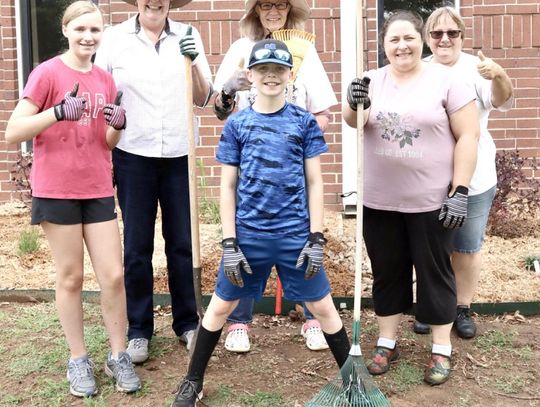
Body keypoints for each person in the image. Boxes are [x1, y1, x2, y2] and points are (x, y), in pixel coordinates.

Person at [170, 39, 350, 406]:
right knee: (220, 306)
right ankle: (193, 380)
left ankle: (352, 381)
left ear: (290, 75)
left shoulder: (303, 123)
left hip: (295, 237)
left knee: (324, 307)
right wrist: (229, 242)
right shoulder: (237, 125)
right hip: (248, 236)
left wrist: (316, 237)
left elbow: (315, 182)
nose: (271, 76)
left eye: (278, 70)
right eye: (263, 70)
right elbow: (228, 187)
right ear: (250, 75)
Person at [4, 1, 141, 397]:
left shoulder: (103, 80)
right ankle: (78, 359)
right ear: (66, 29)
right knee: (71, 277)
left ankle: (118, 355)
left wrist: (118, 126)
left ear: (102, 35)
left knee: (113, 276)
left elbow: (105, 142)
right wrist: (57, 112)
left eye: (95, 31)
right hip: (57, 189)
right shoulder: (46, 73)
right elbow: (15, 131)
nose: (88, 37)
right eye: (81, 29)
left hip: (97, 186)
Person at [343, 10, 479, 385]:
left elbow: (468, 136)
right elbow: (356, 120)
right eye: (393, 40)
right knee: (387, 272)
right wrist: (352, 100)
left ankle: (440, 348)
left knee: (435, 272)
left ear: (421, 40)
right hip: (380, 200)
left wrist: (460, 189)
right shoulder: (370, 80)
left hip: (433, 201)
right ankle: (387, 341)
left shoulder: (447, 81)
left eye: (409, 38)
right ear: (384, 45)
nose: (401, 45)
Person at [213, 0, 338, 353]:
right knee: (248, 237)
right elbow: (220, 111)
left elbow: (322, 111)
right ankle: (239, 322)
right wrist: (227, 90)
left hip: (291, 163)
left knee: (296, 239)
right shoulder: (240, 50)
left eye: (279, 5)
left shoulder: (304, 50)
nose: (272, 12)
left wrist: (295, 140)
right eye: (265, 5)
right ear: (254, 11)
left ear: (289, 11)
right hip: (250, 166)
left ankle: (311, 317)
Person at [94, 0, 213, 363]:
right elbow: (99, 91)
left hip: (179, 155)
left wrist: (191, 65)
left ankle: (187, 322)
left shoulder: (189, 35)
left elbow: (204, 97)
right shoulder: (114, 39)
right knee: (137, 247)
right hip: (132, 154)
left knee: (181, 243)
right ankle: (139, 329)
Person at [412, 6, 514, 339]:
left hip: (475, 176)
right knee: (429, 247)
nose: (444, 39)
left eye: (452, 33)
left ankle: (461, 308)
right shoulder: (417, 69)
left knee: (467, 247)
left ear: (461, 36)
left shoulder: (477, 68)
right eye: (437, 34)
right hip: (426, 176)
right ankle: (430, 306)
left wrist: (499, 74)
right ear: (428, 38)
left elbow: (502, 99)